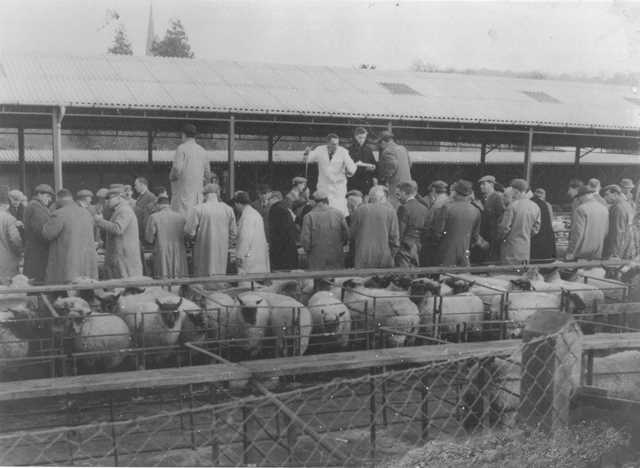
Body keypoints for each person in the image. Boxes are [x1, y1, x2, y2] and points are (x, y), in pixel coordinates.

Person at [42, 189, 98, 284]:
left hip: (66, 270)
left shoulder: (59, 214)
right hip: (86, 268)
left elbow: (47, 234)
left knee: (63, 297)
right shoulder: (87, 213)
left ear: (58, 199)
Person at [184, 183, 237, 277]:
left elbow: (189, 231)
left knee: (202, 272)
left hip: (202, 246)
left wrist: (192, 239)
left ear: (204, 195)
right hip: (221, 247)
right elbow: (233, 232)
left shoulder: (198, 209)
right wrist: (228, 242)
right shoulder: (228, 209)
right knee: (219, 271)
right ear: (218, 193)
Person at [94, 187, 143, 279]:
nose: (107, 202)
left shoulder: (124, 210)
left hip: (124, 257)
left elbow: (118, 229)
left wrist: (99, 221)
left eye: (109, 198)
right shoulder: (120, 210)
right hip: (122, 256)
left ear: (119, 198)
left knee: (126, 285)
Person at [303, 133, 357, 216]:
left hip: (338, 188)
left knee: (340, 211)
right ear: (327, 143)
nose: (336, 146)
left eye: (337, 144)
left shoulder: (343, 151)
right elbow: (308, 160)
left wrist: (349, 171)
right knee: (323, 211)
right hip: (324, 186)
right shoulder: (320, 150)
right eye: (333, 144)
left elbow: (352, 167)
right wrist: (306, 153)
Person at [432, 180, 481, 267]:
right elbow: (475, 236)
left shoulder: (447, 208)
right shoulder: (476, 210)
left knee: (445, 278)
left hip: (446, 253)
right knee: (464, 278)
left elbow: (437, 232)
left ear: (455, 192)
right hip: (465, 253)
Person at [350, 185, 399, 268]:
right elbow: (394, 238)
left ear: (370, 197)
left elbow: (351, 234)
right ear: (382, 198)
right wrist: (391, 255)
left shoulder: (359, 210)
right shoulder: (391, 212)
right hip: (384, 258)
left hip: (362, 257)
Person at [301, 190, 349, 270]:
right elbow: (346, 235)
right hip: (336, 255)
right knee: (336, 280)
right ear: (327, 201)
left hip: (316, 258)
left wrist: (309, 251)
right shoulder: (339, 214)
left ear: (314, 202)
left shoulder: (308, 217)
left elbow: (305, 240)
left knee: (318, 280)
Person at [170, 123, 212, 215]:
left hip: (182, 195)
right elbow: (208, 174)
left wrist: (171, 177)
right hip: (197, 197)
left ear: (183, 135)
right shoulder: (203, 151)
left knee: (180, 222)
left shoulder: (181, 148)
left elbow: (177, 169)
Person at [498, 179, 541, 265]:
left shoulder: (512, 206)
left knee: (509, 274)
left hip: (510, 248)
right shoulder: (535, 207)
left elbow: (504, 228)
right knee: (522, 272)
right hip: (525, 248)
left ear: (517, 191)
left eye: (513, 191)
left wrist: (501, 237)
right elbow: (536, 229)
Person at [145, 196, 188, 279]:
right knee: (179, 275)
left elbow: (149, 238)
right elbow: (186, 235)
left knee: (163, 276)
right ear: (169, 205)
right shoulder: (181, 217)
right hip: (179, 251)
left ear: (158, 205)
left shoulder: (154, 217)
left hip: (162, 250)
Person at [566, 185, 609, 261]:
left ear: (583, 196)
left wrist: (570, 252)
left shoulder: (581, 209)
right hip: (598, 252)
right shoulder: (604, 209)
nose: (579, 199)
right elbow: (605, 231)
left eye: (579, 197)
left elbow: (577, 233)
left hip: (582, 253)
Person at [232, 191, 270, 275]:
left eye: (235, 205)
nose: (235, 208)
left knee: (247, 285)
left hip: (249, 258)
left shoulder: (247, 217)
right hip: (257, 256)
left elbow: (245, 238)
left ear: (238, 203)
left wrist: (239, 256)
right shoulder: (254, 213)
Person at [23, 184, 54, 283]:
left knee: (35, 279)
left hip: (36, 250)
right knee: (37, 280)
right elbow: (41, 231)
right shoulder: (36, 207)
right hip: (38, 252)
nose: (50, 200)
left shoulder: (36, 206)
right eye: (48, 196)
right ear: (39, 194)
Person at [395, 181, 429, 267]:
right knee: (414, 273)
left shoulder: (403, 208)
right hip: (417, 246)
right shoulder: (424, 208)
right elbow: (426, 229)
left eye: (398, 194)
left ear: (404, 193)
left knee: (403, 274)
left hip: (405, 246)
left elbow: (400, 230)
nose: (398, 198)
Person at [376, 130, 412, 208]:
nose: (379, 146)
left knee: (394, 209)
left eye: (379, 143)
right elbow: (410, 164)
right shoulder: (403, 148)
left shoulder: (387, 151)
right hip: (408, 185)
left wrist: (384, 178)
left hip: (395, 186)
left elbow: (392, 166)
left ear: (383, 141)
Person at [602, 185, 637, 260]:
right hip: (627, 248)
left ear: (615, 194)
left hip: (619, 251)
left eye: (607, 195)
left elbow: (618, 232)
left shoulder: (618, 208)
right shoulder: (627, 205)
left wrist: (614, 254)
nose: (605, 198)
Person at [421, 180, 449, 266]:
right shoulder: (449, 200)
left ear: (433, 190)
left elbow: (428, 224)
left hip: (434, 243)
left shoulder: (437, 205)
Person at [478, 175, 505, 262]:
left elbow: (501, 218)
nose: (481, 186)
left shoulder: (497, 198)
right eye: (481, 184)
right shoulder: (483, 198)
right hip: (484, 235)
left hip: (492, 236)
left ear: (491, 185)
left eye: (484, 184)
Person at [268, 196, 299, 271]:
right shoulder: (285, 209)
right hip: (290, 248)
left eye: (269, 199)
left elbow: (275, 232)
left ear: (274, 199)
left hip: (281, 251)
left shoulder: (275, 209)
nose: (267, 201)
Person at [347, 127, 377, 194]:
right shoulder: (349, 150)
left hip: (367, 183)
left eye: (364, 138)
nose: (362, 140)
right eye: (360, 137)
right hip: (354, 183)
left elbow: (374, 163)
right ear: (355, 137)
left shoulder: (368, 150)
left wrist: (373, 168)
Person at [530, 187, 556, 262]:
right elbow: (550, 220)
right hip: (545, 234)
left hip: (535, 234)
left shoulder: (532, 203)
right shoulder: (547, 205)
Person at [0, 199, 23, 283]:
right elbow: (15, 239)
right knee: (8, 291)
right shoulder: (9, 218)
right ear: (7, 205)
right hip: (7, 263)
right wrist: (20, 252)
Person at [345, 189, 363, 267]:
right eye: (348, 206)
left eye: (351, 206)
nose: (350, 209)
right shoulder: (347, 220)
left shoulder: (365, 219)